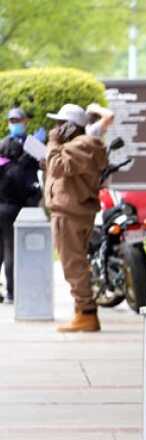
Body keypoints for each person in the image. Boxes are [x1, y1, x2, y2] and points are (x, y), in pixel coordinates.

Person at [43, 103, 108, 333]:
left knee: (73, 265)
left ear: (71, 127)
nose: (56, 128)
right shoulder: (80, 146)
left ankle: (86, 314)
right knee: (76, 263)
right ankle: (82, 311)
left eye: (60, 124)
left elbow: (57, 167)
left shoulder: (81, 145)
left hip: (69, 214)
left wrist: (52, 143)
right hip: (74, 212)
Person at [0, 108, 43, 302]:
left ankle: (11, 291)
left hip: (9, 206)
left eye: (18, 119)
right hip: (13, 206)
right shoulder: (29, 145)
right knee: (10, 249)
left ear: (25, 121)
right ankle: (12, 292)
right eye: (12, 120)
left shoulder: (6, 145)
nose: (15, 123)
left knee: (5, 249)